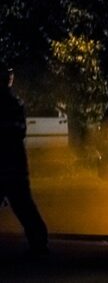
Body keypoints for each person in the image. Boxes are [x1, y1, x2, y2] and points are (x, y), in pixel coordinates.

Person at [0, 66, 48, 255]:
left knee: (24, 206)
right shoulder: (14, 103)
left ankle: (39, 243)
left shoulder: (11, 104)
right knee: (24, 206)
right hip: (14, 165)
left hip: (9, 165)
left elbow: (15, 131)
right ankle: (39, 243)